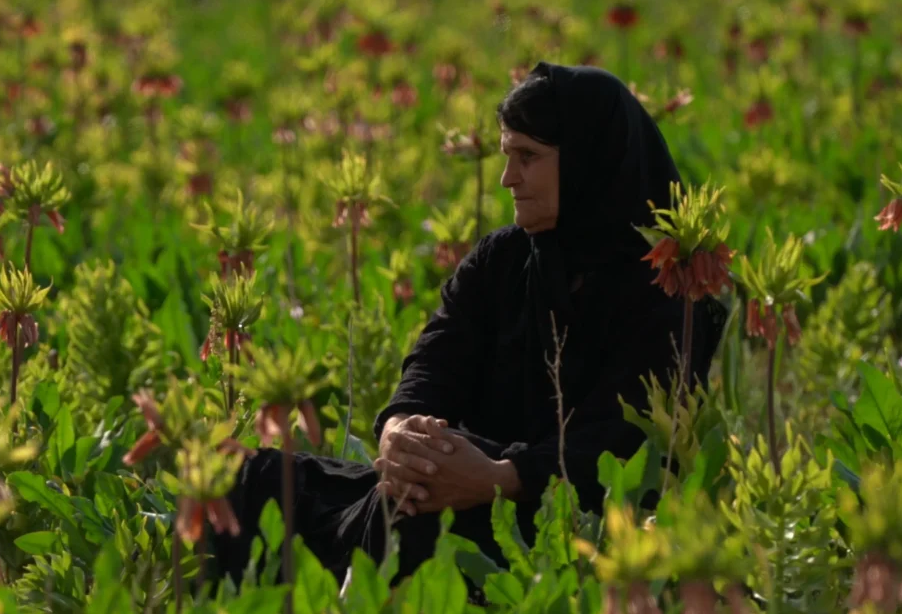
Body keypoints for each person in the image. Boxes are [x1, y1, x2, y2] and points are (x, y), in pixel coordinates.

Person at [214, 63, 729, 583]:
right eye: (507, 156)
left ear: (586, 161)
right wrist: (398, 432)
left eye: (528, 157)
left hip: (569, 521)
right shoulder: (502, 258)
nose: (508, 178)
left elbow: (621, 445)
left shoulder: (665, 288)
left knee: (421, 511)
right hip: (451, 480)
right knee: (242, 478)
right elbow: (435, 361)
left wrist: (502, 478)